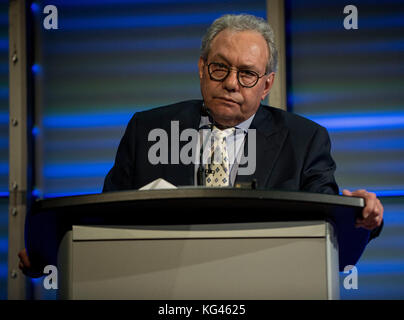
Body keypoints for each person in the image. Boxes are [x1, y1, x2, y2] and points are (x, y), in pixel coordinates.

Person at [19, 14, 383, 276]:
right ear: (201, 68)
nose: (231, 83)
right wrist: (48, 254)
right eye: (220, 68)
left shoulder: (306, 139)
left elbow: (327, 221)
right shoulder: (148, 129)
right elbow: (103, 220)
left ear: (266, 84)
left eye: (247, 74)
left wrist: (361, 214)